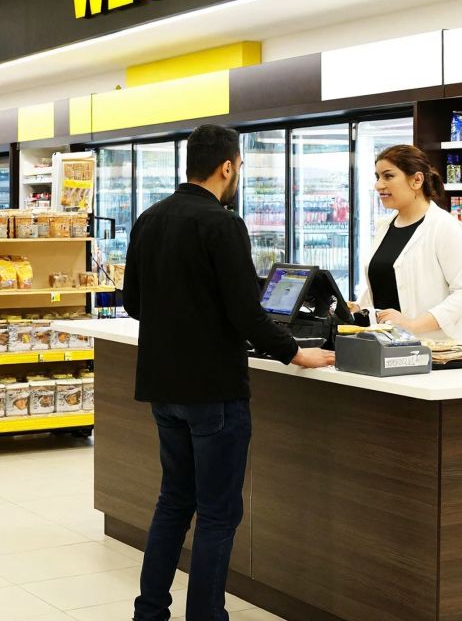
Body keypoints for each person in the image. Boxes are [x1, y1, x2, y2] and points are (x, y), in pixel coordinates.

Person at [124, 124, 334, 621]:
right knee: (218, 514)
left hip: (162, 387)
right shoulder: (222, 224)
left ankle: (149, 611)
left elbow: (133, 302)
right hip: (213, 391)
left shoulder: (149, 218)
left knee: (174, 501)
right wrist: (294, 353)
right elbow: (247, 312)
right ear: (228, 167)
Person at [351, 144, 462, 342]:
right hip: (388, 344)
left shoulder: (445, 227)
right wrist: (359, 307)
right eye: (377, 177)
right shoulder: (384, 227)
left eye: (388, 176)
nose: (379, 185)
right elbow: (387, 282)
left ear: (417, 180)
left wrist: (412, 324)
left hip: (437, 349)